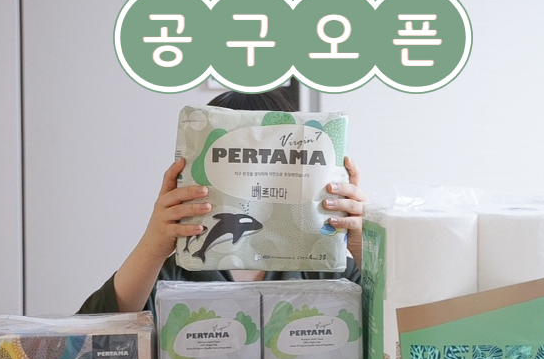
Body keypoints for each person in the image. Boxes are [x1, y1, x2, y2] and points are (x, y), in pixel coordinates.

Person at [78, 89, 367, 316]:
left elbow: (391, 326)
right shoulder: (174, 275)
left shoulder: (327, 267)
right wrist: (154, 243)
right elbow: (94, 339)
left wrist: (364, 246)